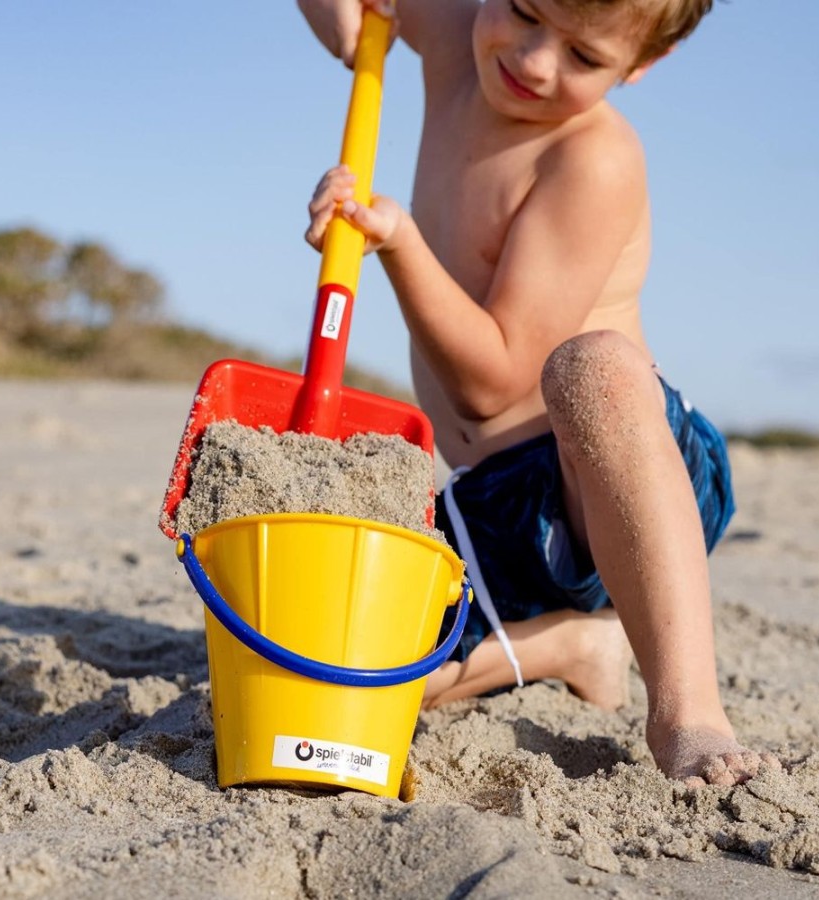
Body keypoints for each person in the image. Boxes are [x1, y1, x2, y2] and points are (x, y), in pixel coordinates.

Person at [298, 0, 780, 788]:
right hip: (494, 503)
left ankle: (689, 713)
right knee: (326, 676)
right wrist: (345, 23)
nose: (535, 60)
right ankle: (569, 644)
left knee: (591, 368)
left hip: (615, 480)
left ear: (638, 66)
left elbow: (491, 386)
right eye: (523, 11)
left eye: (585, 58)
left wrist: (398, 243)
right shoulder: (457, 36)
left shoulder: (591, 159)